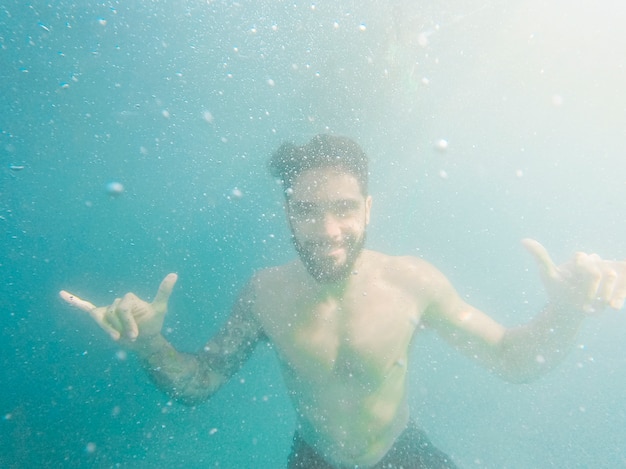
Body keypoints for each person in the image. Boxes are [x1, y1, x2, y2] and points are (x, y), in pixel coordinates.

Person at [60, 134, 626, 468]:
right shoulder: (264, 295)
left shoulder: (412, 283)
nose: (328, 230)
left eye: (344, 208)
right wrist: (151, 343)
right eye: (307, 211)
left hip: (404, 455)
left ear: (368, 209)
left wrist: (568, 309)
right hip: (314, 460)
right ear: (287, 215)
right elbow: (198, 384)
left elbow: (512, 360)